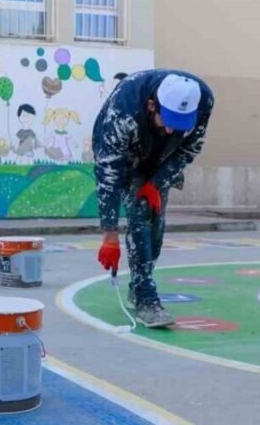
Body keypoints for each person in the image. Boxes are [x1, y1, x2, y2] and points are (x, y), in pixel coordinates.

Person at [92, 70, 214, 328]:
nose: (171, 129)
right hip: (126, 155)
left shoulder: (203, 100)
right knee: (139, 213)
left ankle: (139, 286)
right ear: (151, 105)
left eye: (179, 124)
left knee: (155, 225)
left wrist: (157, 182)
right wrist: (109, 234)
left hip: (162, 158)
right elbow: (108, 173)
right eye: (167, 120)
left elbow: (189, 148)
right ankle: (146, 298)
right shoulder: (122, 112)